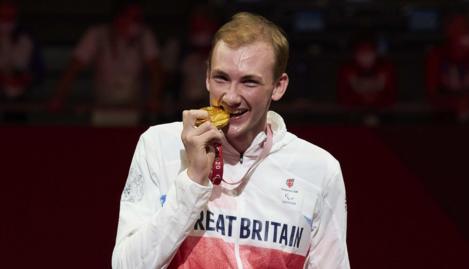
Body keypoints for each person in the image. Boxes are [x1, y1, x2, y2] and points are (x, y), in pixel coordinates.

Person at [112, 12, 350, 268]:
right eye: (221, 78)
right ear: (206, 77)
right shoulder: (159, 146)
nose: (231, 97)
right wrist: (192, 181)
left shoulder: (318, 169)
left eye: (249, 82)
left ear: (278, 86)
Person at [50, 3, 163, 126]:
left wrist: (155, 98)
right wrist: (59, 96)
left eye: (139, 19)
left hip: (133, 109)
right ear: (119, 17)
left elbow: (156, 70)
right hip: (102, 108)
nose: (137, 23)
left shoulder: (144, 35)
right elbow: (74, 67)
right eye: (133, 18)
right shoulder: (97, 34)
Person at [426, 14, 469, 122]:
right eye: (456, 28)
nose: (461, 32)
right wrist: (455, 103)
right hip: (446, 117)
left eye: (465, 28)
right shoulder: (437, 56)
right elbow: (431, 94)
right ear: (448, 31)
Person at [0, 1, 44, 122]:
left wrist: (25, 79)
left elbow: (39, 72)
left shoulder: (27, 38)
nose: (6, 21)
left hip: (19, 101)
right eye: (3, 16)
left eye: (10, 17)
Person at [337, 37, 396, 125]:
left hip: (382, 111)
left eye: (369, 54)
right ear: (356, 55)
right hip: (354, 111)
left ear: (375, 54)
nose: (365, 58)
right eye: (362, 54)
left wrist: (363, 86)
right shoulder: (347, 69)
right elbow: (348, 94)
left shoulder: (385, 68)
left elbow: (385, 91)